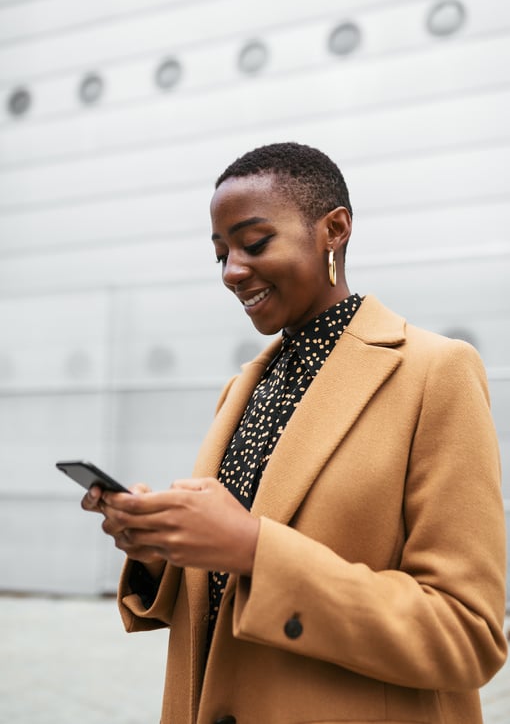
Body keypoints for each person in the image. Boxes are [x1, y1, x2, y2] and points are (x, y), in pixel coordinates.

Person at [82, 142, 507, 724]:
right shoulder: (242, 391)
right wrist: (163, 553)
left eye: (254, 243)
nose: (233, 271)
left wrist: (254, 548)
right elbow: (227, 593)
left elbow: (468, 632)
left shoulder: (436, 372)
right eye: (220, 254)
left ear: (333, 229)